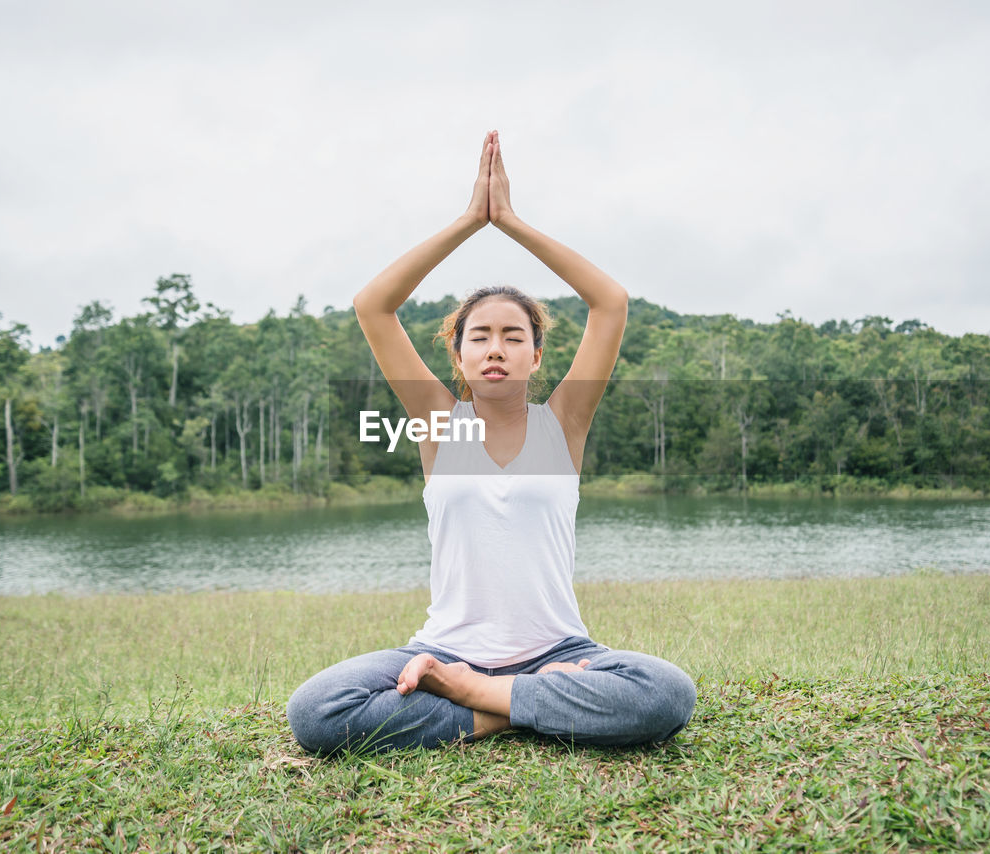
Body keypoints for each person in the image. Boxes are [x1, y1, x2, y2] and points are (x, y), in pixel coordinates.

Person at [286, 131, 695, 754]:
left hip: (560, 649)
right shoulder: (436, 424)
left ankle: (480, 700)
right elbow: (374, 305)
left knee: (665, 693)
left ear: (536, 354)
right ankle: (524, 706)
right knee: (316, 712)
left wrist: (511, 221)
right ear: (457, 354)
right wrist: (470, 220)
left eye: (512, 335)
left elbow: (609, 302)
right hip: (444, 648)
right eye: (479, 336)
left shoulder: (564, 423)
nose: (496, 348)